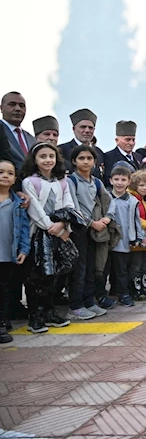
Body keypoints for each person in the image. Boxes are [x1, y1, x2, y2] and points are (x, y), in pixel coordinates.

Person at [20, 142, 75, 333]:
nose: (47, 160)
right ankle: (35, 316)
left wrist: (64, 224)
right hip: (39, 233)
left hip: (58, 231)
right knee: (37, 276)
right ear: (34, 160)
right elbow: (36, 211)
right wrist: (55, 228)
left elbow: (68, 206)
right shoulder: (30, 182)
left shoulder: (62, 181)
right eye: (42, 156)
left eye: (51, 156)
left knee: (56, 275)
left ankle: (50, 312)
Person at [66, 145, 113, 320]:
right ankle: (76, 305)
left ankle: (89, 300)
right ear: (74, 161)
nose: (86, 161)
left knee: (92, 267)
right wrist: (91, 222)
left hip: (96, 230)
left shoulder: (97, 182)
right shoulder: (71, 181)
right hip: (79, 230)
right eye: (81, 158)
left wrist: (107, 218)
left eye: (89, 158)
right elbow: (72, 207)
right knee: (80, 268)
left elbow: (110, 202)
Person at [0, 160, 30, 343]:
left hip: (6, 255)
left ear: (15, 179)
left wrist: (24, 249)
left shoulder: (18, 203)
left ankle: (2, 323)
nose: (5, 176)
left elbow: (24, 230)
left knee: (3, 290)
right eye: (1, 172)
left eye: (10, 173)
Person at [107, 166, 139, 307]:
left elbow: (136, 221)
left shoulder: (132, 201)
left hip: (123, 240)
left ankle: (123, 294)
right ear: (111, 180)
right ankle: (102, 294)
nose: (119, 183)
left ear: (128, 182)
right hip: (106, 240)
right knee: (103, 269)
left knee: (122, 270)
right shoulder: (106, 197)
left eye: (123, 180)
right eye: (116, 179)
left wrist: (136, 237)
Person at [127, 171, 146, 301]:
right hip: (137, 238)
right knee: (136, 265)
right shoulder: (131, 198)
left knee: (145, 265)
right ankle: (135, 289)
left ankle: (143, 287)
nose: (144, 188)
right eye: (141, 185)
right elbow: (133, 217)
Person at [59, 109, 102, 178]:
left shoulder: (99, 152)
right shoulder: (62, 150)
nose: (87, 130)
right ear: (73, 129)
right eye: (83, 127)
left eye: (90, 128)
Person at [1, 92, 35, 171]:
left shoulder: (32, 139)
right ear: (1, 108)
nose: (18, 109)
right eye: (12, 104)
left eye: (21, 105)